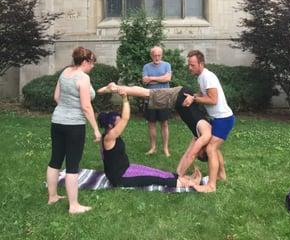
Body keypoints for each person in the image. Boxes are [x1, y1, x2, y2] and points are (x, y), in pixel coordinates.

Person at [97, 83, 212, 177]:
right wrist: (180, 175)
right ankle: (114, 88)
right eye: (199, 154)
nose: (197, 152)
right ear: (203, 151)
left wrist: (178, 174)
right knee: (147, 93)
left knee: (146, 93)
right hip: (179, 97)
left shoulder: (201, 135)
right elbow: (190, 155)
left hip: (181, 98)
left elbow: (189, 153)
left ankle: (117, 88)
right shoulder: (205, 135)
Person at [46, 47, 101, 214]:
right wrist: (96, 129)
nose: (93, 66)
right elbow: (86, 106)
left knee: (55, 160)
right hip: (74, 126)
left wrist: (67, 106)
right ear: (85, 61)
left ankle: (53, 196)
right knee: (72, 164)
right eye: (92, 62)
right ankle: (74, 206)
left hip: (57, 121)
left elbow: (57, 97)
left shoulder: (65, 72)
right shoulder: (83, 78)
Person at [183, 50, 235, 193]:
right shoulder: (201, 77)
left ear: (201, 64)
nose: (190, 68)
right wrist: (194, 95)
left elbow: (213, 100)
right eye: (189, 65)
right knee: (214, 147)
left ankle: (211, 186)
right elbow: (204, 94)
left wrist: (194, 99)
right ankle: (221, 174)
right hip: (218, 119)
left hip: (224, 119)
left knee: (211, 148)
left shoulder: (207, 77)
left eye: (192, 65)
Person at [142, 46, 172, 156]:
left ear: (162, 55)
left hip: (164, 97)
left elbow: (167, 79)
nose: (157, 57)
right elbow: (145, 81)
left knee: (164, 123)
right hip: (150, 98)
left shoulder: (167, 65)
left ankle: (165, 148)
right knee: (151, 124)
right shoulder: (146, 67)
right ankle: (153, 147)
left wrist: (151, 78)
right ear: (151, 56)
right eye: (155, 55)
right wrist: (160, 78)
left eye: (159, 55)